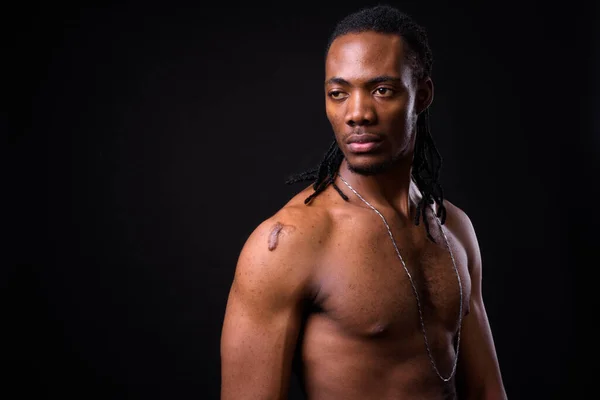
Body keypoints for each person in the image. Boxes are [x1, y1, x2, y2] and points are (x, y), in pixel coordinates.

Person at [220, 4, 507, 399]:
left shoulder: (454, 228)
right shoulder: (288, 243)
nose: (357, 114)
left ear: (421, 95)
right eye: (338, 94)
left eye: (381, 90)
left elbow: (487, 389)